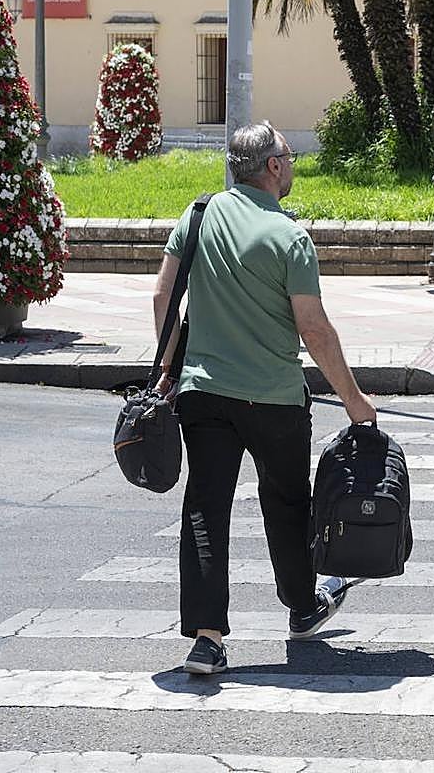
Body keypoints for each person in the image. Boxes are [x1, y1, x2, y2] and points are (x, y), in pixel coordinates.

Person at [152, 120, 376, 675]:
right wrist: (354, 401)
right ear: (273, 167)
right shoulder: (289, 236)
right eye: (288, 154)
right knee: (286, 503)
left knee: (206, 509)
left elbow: (162, 296)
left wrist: (168, 370)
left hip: (203, 394)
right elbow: (315, 331)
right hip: (274, 399)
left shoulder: (198, 215)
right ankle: (302, 607)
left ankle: (207, 639)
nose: (292, 162)